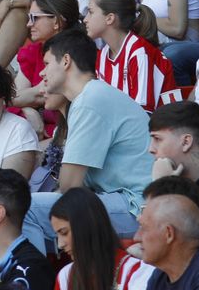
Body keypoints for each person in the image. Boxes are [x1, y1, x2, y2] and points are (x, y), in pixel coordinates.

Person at [25, 32, 151, 249]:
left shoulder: (91, 99)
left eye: (46, 64)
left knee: (27, 208)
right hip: (123, 201)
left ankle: (29, 280)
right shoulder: (91, 96)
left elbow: (69, 186)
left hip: (136, 208)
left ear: (66, 61)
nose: (42, 73)